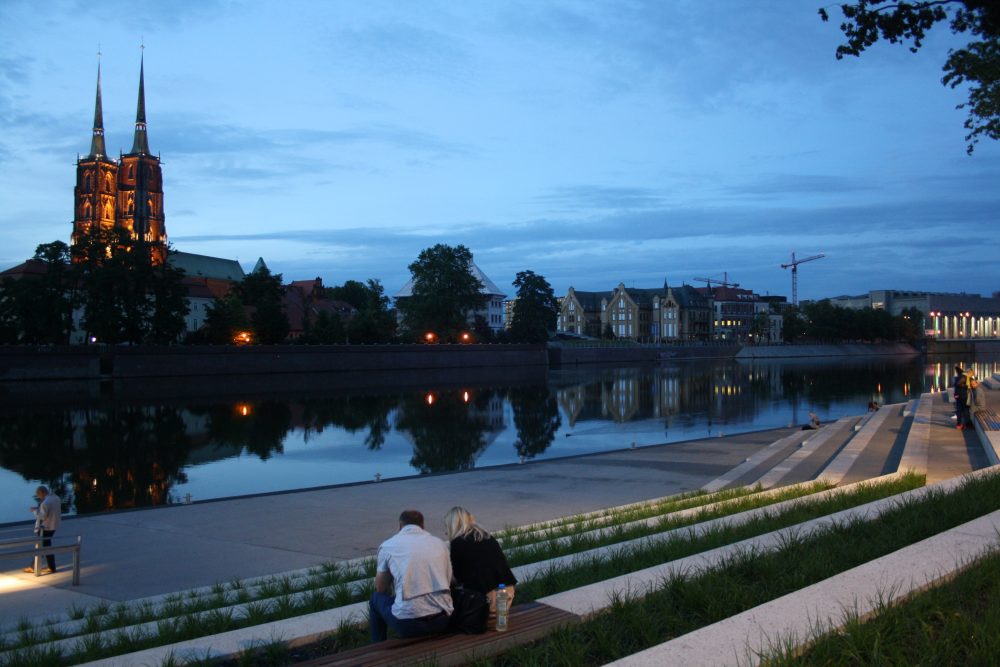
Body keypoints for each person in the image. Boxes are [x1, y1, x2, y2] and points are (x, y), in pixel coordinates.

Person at [369, 509, 453, 643]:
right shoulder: (440, 543)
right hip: (442, 620)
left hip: (407, 624)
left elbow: (380, 588)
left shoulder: (388, 546)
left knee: (375, 599)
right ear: (423, 526)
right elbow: (448, 580)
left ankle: (377, 646)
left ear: (400, 526)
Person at [444, 506, 517, 615]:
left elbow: (459, 578)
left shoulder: (457, 543)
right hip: (507, 594)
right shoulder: (487, 536)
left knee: (449, 588)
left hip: (487, 601)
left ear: (451, 525)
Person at [23, 485, 60, 574]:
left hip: (45, 528)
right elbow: (50, 510)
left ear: (42, 493)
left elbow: (42, 516)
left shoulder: (45, 503)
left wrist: (34, 511)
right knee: (46, 546)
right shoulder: (55, 498)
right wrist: (38, 509)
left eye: (38, 495)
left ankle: (33, 567)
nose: (39, 498)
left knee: (41, 547)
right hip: (53, 526)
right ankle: (51, 567)